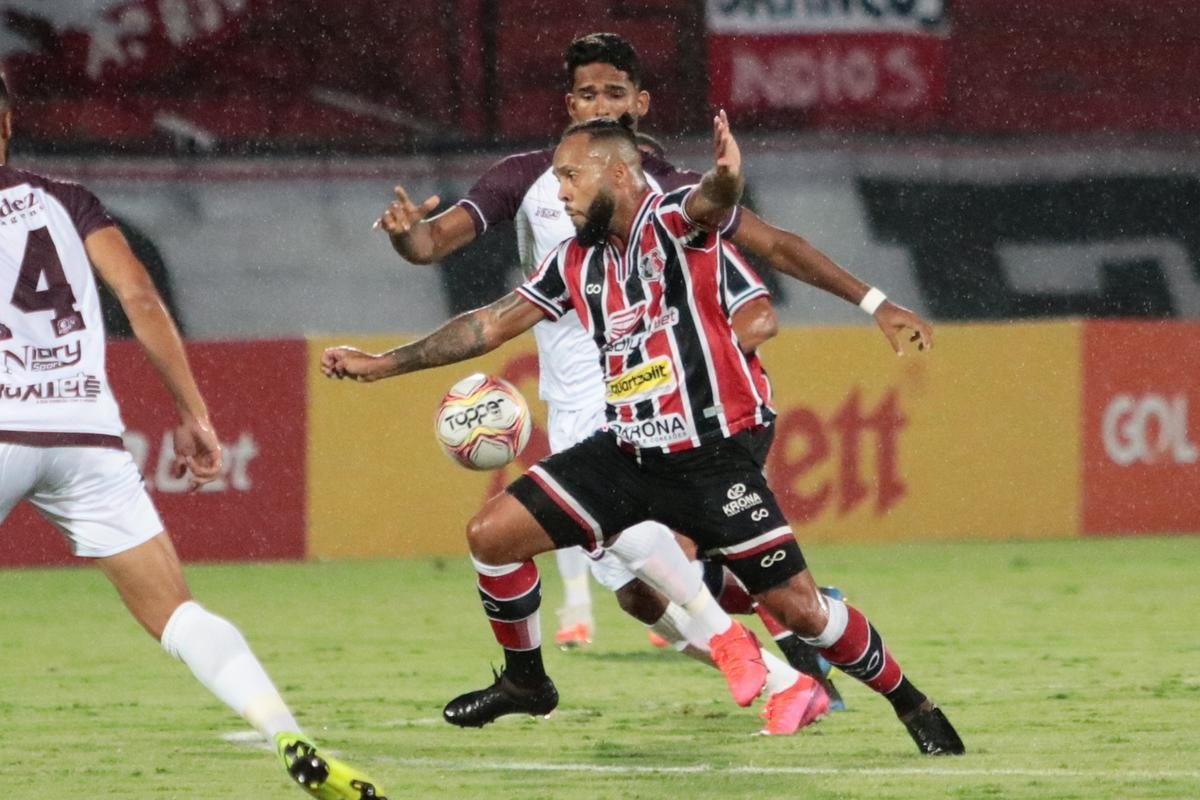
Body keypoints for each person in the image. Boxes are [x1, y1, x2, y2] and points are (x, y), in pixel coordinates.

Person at [325, 114, 964, 756]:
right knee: (492, 538)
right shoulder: (575, 260)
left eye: (571, 177)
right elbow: (486, 327)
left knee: (802, 611)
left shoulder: (673, 223)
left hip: (711, 458)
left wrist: (726, 180)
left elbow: (714, 203)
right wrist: (386, 364)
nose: (561, 194)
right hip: (626, 454)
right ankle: (527, 684)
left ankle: (913, 704)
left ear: (621, 174)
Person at [0, 77, 386, 800]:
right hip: (85, 433)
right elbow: (139, 295)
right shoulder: (67, 198)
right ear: (9, 123)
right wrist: (194, 412)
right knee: (178, 613)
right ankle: (283, 730)